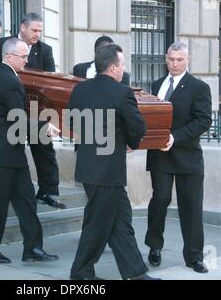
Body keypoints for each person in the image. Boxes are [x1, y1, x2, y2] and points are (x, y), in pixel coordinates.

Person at [67, 44, 157, 280]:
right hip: (107, 171)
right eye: (123, 64)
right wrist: (130, 143)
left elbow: (74, 124)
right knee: (98, 224)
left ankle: (135, 273)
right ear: (114, 67)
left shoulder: (79, 90)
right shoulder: (122, 92)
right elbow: (137, 126)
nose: (124, 69)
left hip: (89, 167)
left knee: (121, 220)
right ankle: (80, 272)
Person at [0, 37, 59, 264]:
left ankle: (33, 248)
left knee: (27, 201)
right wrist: (44, 127)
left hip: (7, 152)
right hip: (2, 154)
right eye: (23, 56)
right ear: (10, 56)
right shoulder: (10, 80)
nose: (27, 60)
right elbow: (17, 119)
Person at [145, 42, 212, 274]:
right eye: (171, 59)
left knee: (191, 207)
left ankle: (194, 256)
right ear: (166, 59)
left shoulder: (199, 87)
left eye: (179, 60)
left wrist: (175, 137)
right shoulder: (155, 85)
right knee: (160, 200)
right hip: (159, 157)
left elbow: (203, 121)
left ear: (188, 59)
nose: (174, 64)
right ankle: (154, 246)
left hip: (188, 158)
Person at [0, 12, 65, 209]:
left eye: (40, 30)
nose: (38, 34)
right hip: (8, 106)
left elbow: (50, 80)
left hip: (36, 107)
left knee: (44, 149)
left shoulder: (45, 50)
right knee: (10, 146)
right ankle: (9, 186)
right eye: (34, 30)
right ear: (23, 28)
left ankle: (48, 191)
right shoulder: (3, 45)